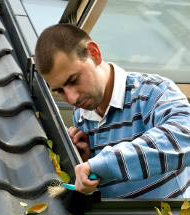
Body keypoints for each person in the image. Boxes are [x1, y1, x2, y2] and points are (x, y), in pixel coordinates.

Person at [34, 23, 190, 199]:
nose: (71, 98)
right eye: (60, 91)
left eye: (73, 80)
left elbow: (185, 135)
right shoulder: (80, 115)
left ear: (94, 54)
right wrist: (85, 162)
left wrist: (105, 163)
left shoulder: (153, 91)